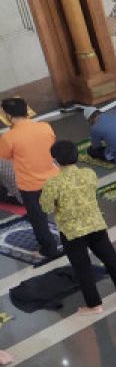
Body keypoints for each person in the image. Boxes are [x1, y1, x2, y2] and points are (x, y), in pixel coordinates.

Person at [40, 140, 116, 313]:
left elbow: (46, 208)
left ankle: (94, 305)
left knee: (82, 268)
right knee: (111, 258)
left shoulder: (53, 183)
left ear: (56, 161)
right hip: (95, 224)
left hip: (72, 232)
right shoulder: (89, 173)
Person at [0, 98, 59, 260]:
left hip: (30, 185)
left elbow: (4, 156)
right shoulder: (45, 126)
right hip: (53, 178)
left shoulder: (8, 137)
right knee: (63, 210)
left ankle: (49, 249)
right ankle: (76, 238)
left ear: (7, 115)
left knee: (38, 218)